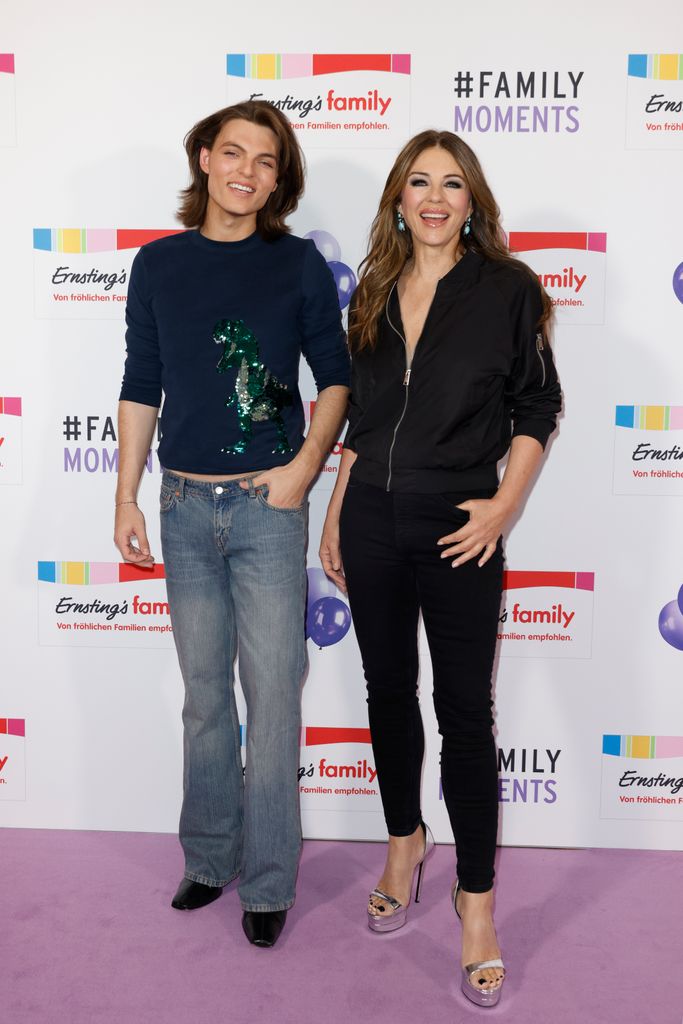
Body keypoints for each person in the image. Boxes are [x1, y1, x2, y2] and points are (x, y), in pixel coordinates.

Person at [320, 130, 560, 1006]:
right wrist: (339, 509)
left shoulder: (507, 289)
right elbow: (362, 417)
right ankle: (402, 843)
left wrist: (504, 505)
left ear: (472, 202)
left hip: (462, 525)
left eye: (450, 184)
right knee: (388, 692)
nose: (433, 197)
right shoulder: (372, 294)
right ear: (397, 197)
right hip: (375, 520)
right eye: (418, 182)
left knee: (465, 713)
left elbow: (538, 404)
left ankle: (477, 906)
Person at [114, 100, 350, 948]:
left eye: (267, 162)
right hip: (180, 507)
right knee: (206, 700)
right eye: (234, 153)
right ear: (205, 159)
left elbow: (336, 380)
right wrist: (125, 496)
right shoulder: (158, 264)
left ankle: (270, 879)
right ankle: (209, 860)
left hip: (266, 510)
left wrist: (300, 474)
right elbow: (143, 381)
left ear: (278, 181)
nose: (247, 172)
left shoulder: (295, 266)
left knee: (275, 699)